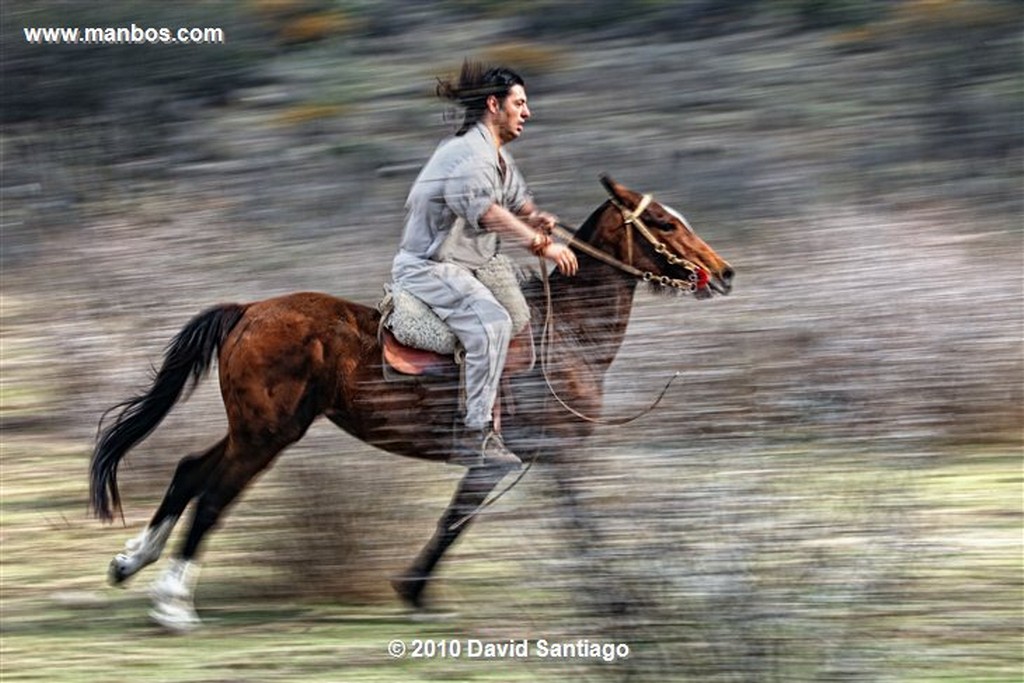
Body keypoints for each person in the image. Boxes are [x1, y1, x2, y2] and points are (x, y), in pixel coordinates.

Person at [391, 61, 578, 467]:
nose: (527, 112)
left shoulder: (495, 157)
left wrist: (536, 217)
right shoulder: (469, 156)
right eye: (520, 103)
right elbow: (489, 213)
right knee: (492, 323)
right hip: (430, 267)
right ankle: (476, 434)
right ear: (494, 105)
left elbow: (517, 202)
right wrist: (540, 245)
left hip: (464, 267)